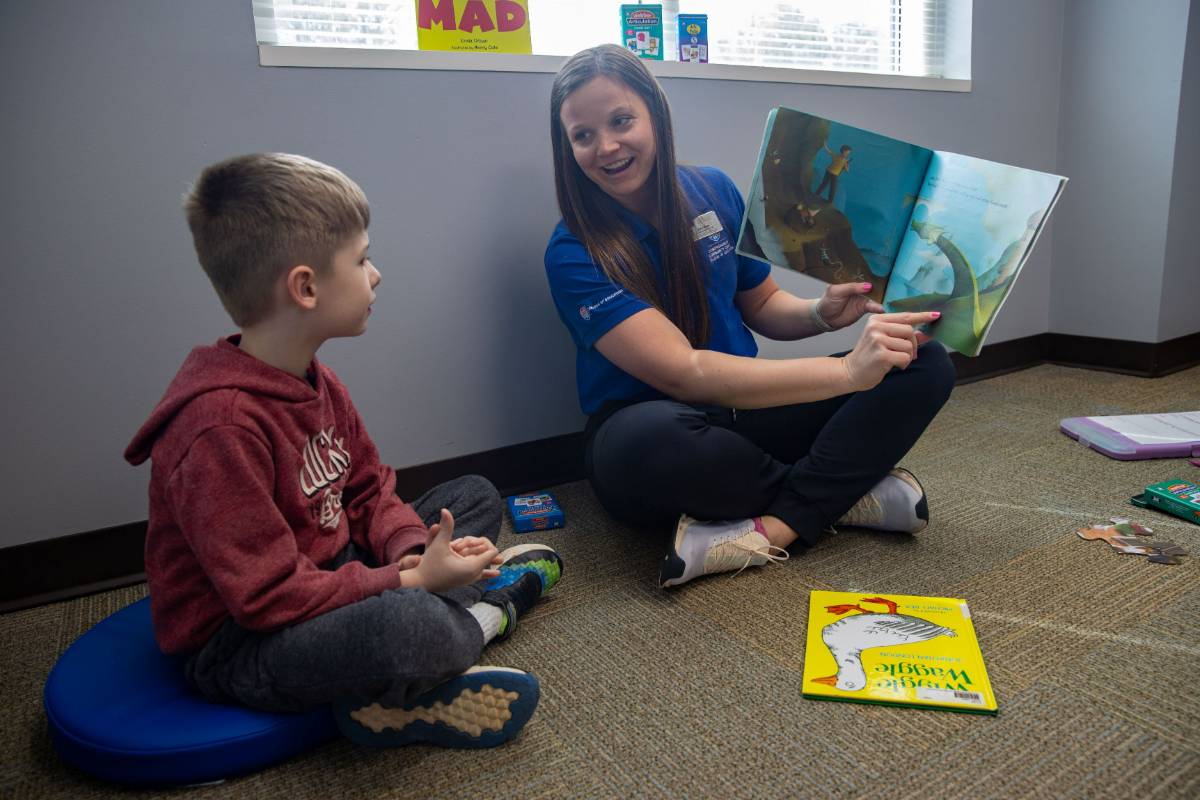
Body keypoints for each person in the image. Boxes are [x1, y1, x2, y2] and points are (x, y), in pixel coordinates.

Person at [124, 153, 562, 749]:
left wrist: (416, 550)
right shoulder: (217, 429)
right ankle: (492, 611)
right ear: (305, 287)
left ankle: (444, 616)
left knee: (475, 495)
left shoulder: (314, 378)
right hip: (245, 641)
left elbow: (367, 488)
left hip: (333, 571)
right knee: (407, 628)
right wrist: (406, 585)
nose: (375, 274)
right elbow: (267, 598)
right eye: (361, 260)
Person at [544, 45, 955, 589]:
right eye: (583, 135)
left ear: (655, 115)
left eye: (621, 121)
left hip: (746, 417)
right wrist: (848, 374)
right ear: (567, 146)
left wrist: (822, 314)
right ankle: (843, 493)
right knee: (641, 443)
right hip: (661, 429)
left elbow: (760, 305)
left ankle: (779, 526)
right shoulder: (572, 252)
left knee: (925, 362)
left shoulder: (714, 189)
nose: (607, 146)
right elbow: (684, 372)